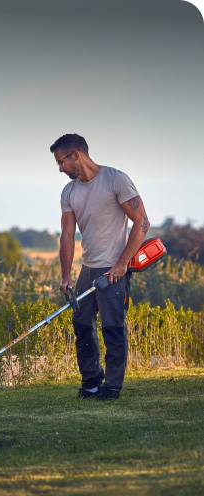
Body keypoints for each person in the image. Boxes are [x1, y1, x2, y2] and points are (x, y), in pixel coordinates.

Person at [50, 134, 150, 400]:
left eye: (61, 162)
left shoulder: (115, 180)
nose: (60, 168)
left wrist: (121, 265)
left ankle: (113, 386)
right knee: (81, 324)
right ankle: (92, 382)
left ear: (76, 155)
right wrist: (65, 276)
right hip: (88, 268)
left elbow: (142, 223)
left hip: (114, 268)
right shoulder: (69, 192)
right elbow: (67, 235)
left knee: (112, 327)